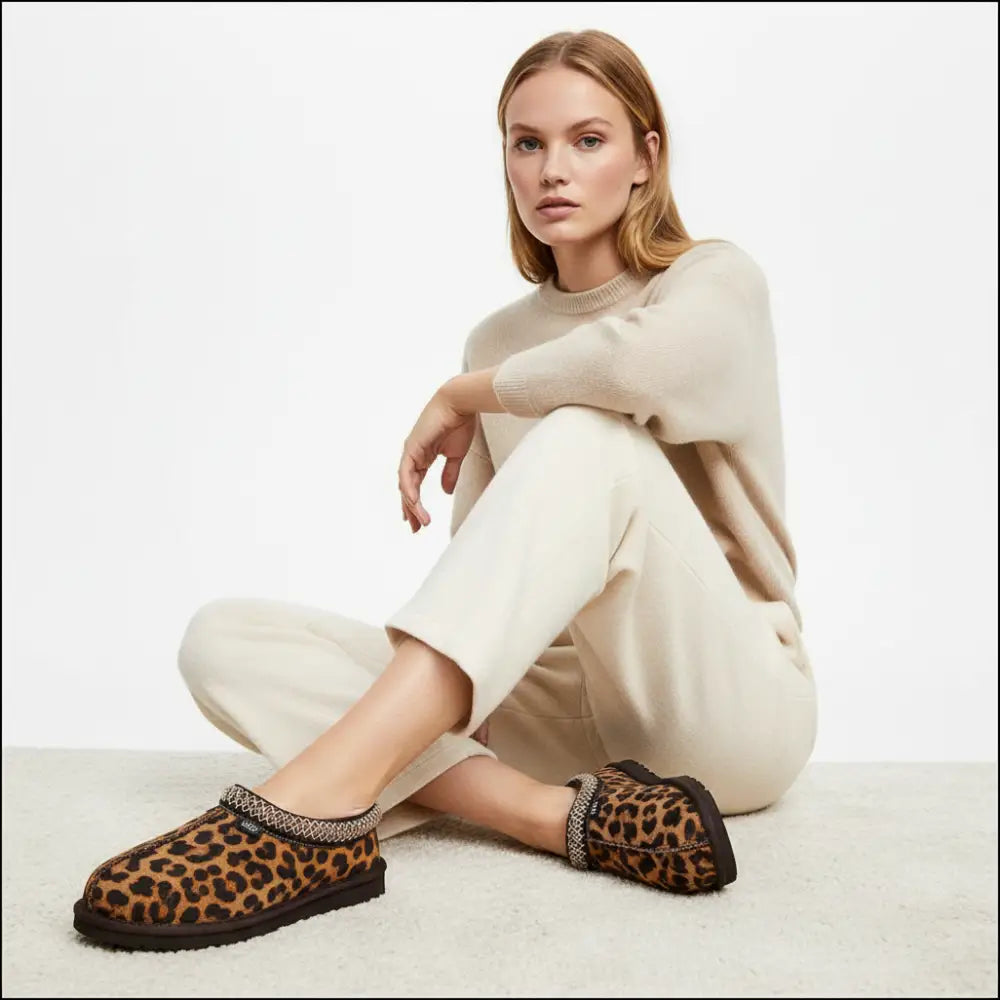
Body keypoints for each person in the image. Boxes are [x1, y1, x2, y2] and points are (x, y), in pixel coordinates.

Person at [72, 29, 817, 951]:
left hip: (724, 709)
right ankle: (553, 816)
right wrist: (471, 711)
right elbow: (491, 569)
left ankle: (318, 810)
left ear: (644, 158)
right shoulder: (498, 341)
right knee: (224, 639)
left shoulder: (714, 282)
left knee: (590, 432)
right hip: (565, 729)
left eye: (588, 140)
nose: (552, 169)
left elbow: (634, 370)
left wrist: (468, 393)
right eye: (527, 143)